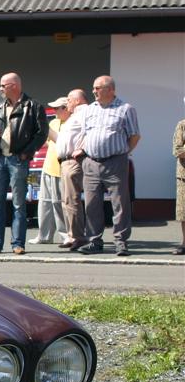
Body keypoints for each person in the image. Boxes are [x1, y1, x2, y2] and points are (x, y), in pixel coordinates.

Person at [73, 75, 140, 256]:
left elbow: (134, 136)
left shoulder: (125, 109)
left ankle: (120, 241)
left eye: (98, 88)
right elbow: (85, 134)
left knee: (120, 203)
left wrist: (123, 152)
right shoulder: (88, 110)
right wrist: (82, 150)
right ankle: (94, 241)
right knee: (91, 204)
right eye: (93, 88)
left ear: (110, 90)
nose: (93, 91)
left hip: (115, 162)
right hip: (91, 162)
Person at [0, 72, 48, 255]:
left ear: (14, 85)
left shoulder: (33, 106)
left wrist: (26, 153)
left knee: (19, 203)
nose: (0, 89)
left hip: (18, 160)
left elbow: (41, 133)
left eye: (3, 85)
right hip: (0, 158)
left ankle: (18, 244)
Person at [30, 97, 71, 245]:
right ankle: (44, 235)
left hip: (61, 169)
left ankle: (66, 235)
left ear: (66, 108)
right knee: (45, 203)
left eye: (57, 108)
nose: (54, 112)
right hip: (48, 167)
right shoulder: (54, 122)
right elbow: (47, 143)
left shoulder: (72, 123)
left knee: (60, 204)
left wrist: (45, 129)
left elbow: (61, 141)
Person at [55, 89, 90, 250]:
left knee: (72, 200)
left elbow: (90, 132)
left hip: (73, 161)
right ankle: (71, 235)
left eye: (68, 100)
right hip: (65, 161)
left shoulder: (83, 113)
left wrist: (82, 149)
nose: (66, 103)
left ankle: (79, 237)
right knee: (66, 201)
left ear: (76, 101)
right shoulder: (73, 117)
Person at [173, 106, 185, 255]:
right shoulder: (182, 125)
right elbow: (177, 150)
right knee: (184, 213)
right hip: (184, 177)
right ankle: (184, 243)